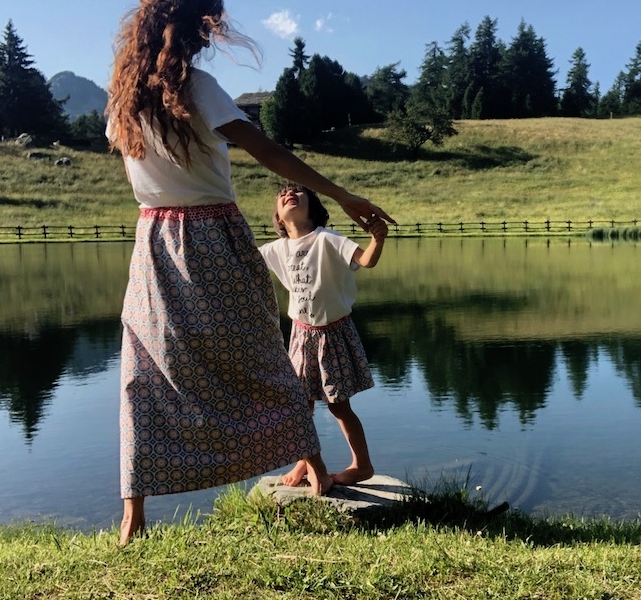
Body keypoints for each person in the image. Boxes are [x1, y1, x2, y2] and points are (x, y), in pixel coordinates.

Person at [104, 0, 392, 546]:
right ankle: (318, 470)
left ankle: (132, 517)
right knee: (262, 357)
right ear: (187, 33)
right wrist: (340, 195)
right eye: (203, 32)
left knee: (142, 369)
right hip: (213, 235)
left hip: (153, 242)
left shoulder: (120, 102)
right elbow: (268, 151)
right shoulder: (198, 88)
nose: (206, 42)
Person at [259, 183, 387, 487]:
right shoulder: (276, 249)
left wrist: (377, 239)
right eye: (282, 194)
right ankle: (305, 463)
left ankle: (362, 465)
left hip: (333, 334)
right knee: (300, 404)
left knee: (338, 405)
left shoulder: (327, 239)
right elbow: (242, 264)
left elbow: (366, 260)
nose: (289, 195)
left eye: (298, 192)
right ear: (278, 215)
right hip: (301, 336)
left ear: (313, 208)